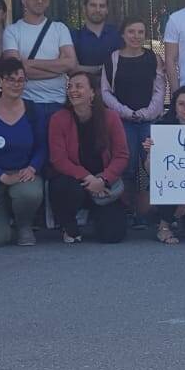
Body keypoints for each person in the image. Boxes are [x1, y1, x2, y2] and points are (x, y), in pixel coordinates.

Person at [0, 55, 47, 248]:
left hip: (23, 174)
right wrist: (1, 176)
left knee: (29, 194)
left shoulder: (33, 111)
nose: (16, 84)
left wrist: (32, 167)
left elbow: (42, 147)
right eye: (10, 79)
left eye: (21, 80)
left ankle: (24, 225)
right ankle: (0, 217)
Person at [48, 70, 129, 245]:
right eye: (70, 86)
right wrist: (88, 178)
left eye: (79, 86)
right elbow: (58, 159)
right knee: (62, 186)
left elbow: (121, 155)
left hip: (104, 185)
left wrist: (103, 179)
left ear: (93, 92)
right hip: (75, 182)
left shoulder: (111, 117)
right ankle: (68, 224)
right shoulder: (58, 119)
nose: (73, 90)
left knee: (113, 235)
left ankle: (96, 215)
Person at [103, 17, 166, 226]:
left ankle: (150, 212)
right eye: (131, 31)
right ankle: (127, 210)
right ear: (123, 34)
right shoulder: (112, 59)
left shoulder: (153, 58)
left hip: (149, 120)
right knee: (127, 167)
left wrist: (148, 112)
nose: (136, 36)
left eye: (140, 32)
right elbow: (105, 92)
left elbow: (160, 89)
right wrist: (126, 112)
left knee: (152, 166)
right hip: (124, 121)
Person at [3, 0, 78, 132]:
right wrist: (58, 66)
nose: (39, 0)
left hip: (59, 102)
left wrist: (28, 64)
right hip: (26, 102)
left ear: (48, 1)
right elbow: (14, 71)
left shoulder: (59, 28)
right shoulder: (12, 31)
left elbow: (71, 63)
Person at [141, 86, 185, 244]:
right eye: (181, 104)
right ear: (174, 107)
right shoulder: (161, 130)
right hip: (168, 185)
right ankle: (164, 226)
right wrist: (152, 154)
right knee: (167, 182)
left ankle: (179, 220)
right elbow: (151, 171)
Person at [73, 0, 123, 74]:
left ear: (107, 10)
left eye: (102, 6)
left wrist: (85, 68)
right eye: (93, 5)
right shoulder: (74, 37)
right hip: (85, 87)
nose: (98, 10)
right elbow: (72, 69)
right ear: (84, 8)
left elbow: (125, 64)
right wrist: (105, 68)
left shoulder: (118, 34)